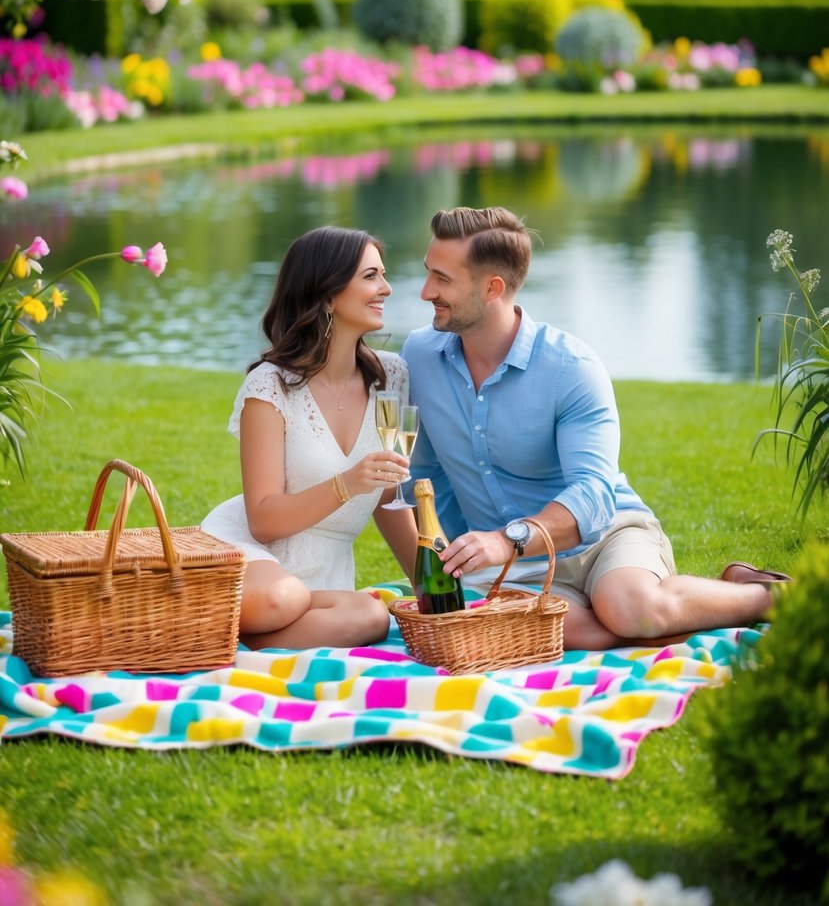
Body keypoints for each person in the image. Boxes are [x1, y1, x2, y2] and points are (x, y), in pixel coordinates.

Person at [402, 205, 791, 651]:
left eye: (443, 279)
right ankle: (666, 614)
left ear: (493, 288)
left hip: (603, 537)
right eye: (428, 273)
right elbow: (424, 477)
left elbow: (592, 494)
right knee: (571, 634)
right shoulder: (420, 357)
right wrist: (440, 567)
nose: (426, 291)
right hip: (509, 568)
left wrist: (504, 540)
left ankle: (765, 595)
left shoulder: (570, 367)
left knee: (630, 609)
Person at [202, 226, 417, 650]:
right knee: (283, 599)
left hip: (326, 579)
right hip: (255, 559)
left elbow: (390, 497)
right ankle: (233, 627)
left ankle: (224, 638)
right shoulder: (270, 386)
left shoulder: (391, 376)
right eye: (371, 276)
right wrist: (349, 483)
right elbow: (262, 521)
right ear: (328, 294)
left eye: (383, 275)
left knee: (372, 615)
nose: (386, 288)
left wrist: (430, 585)